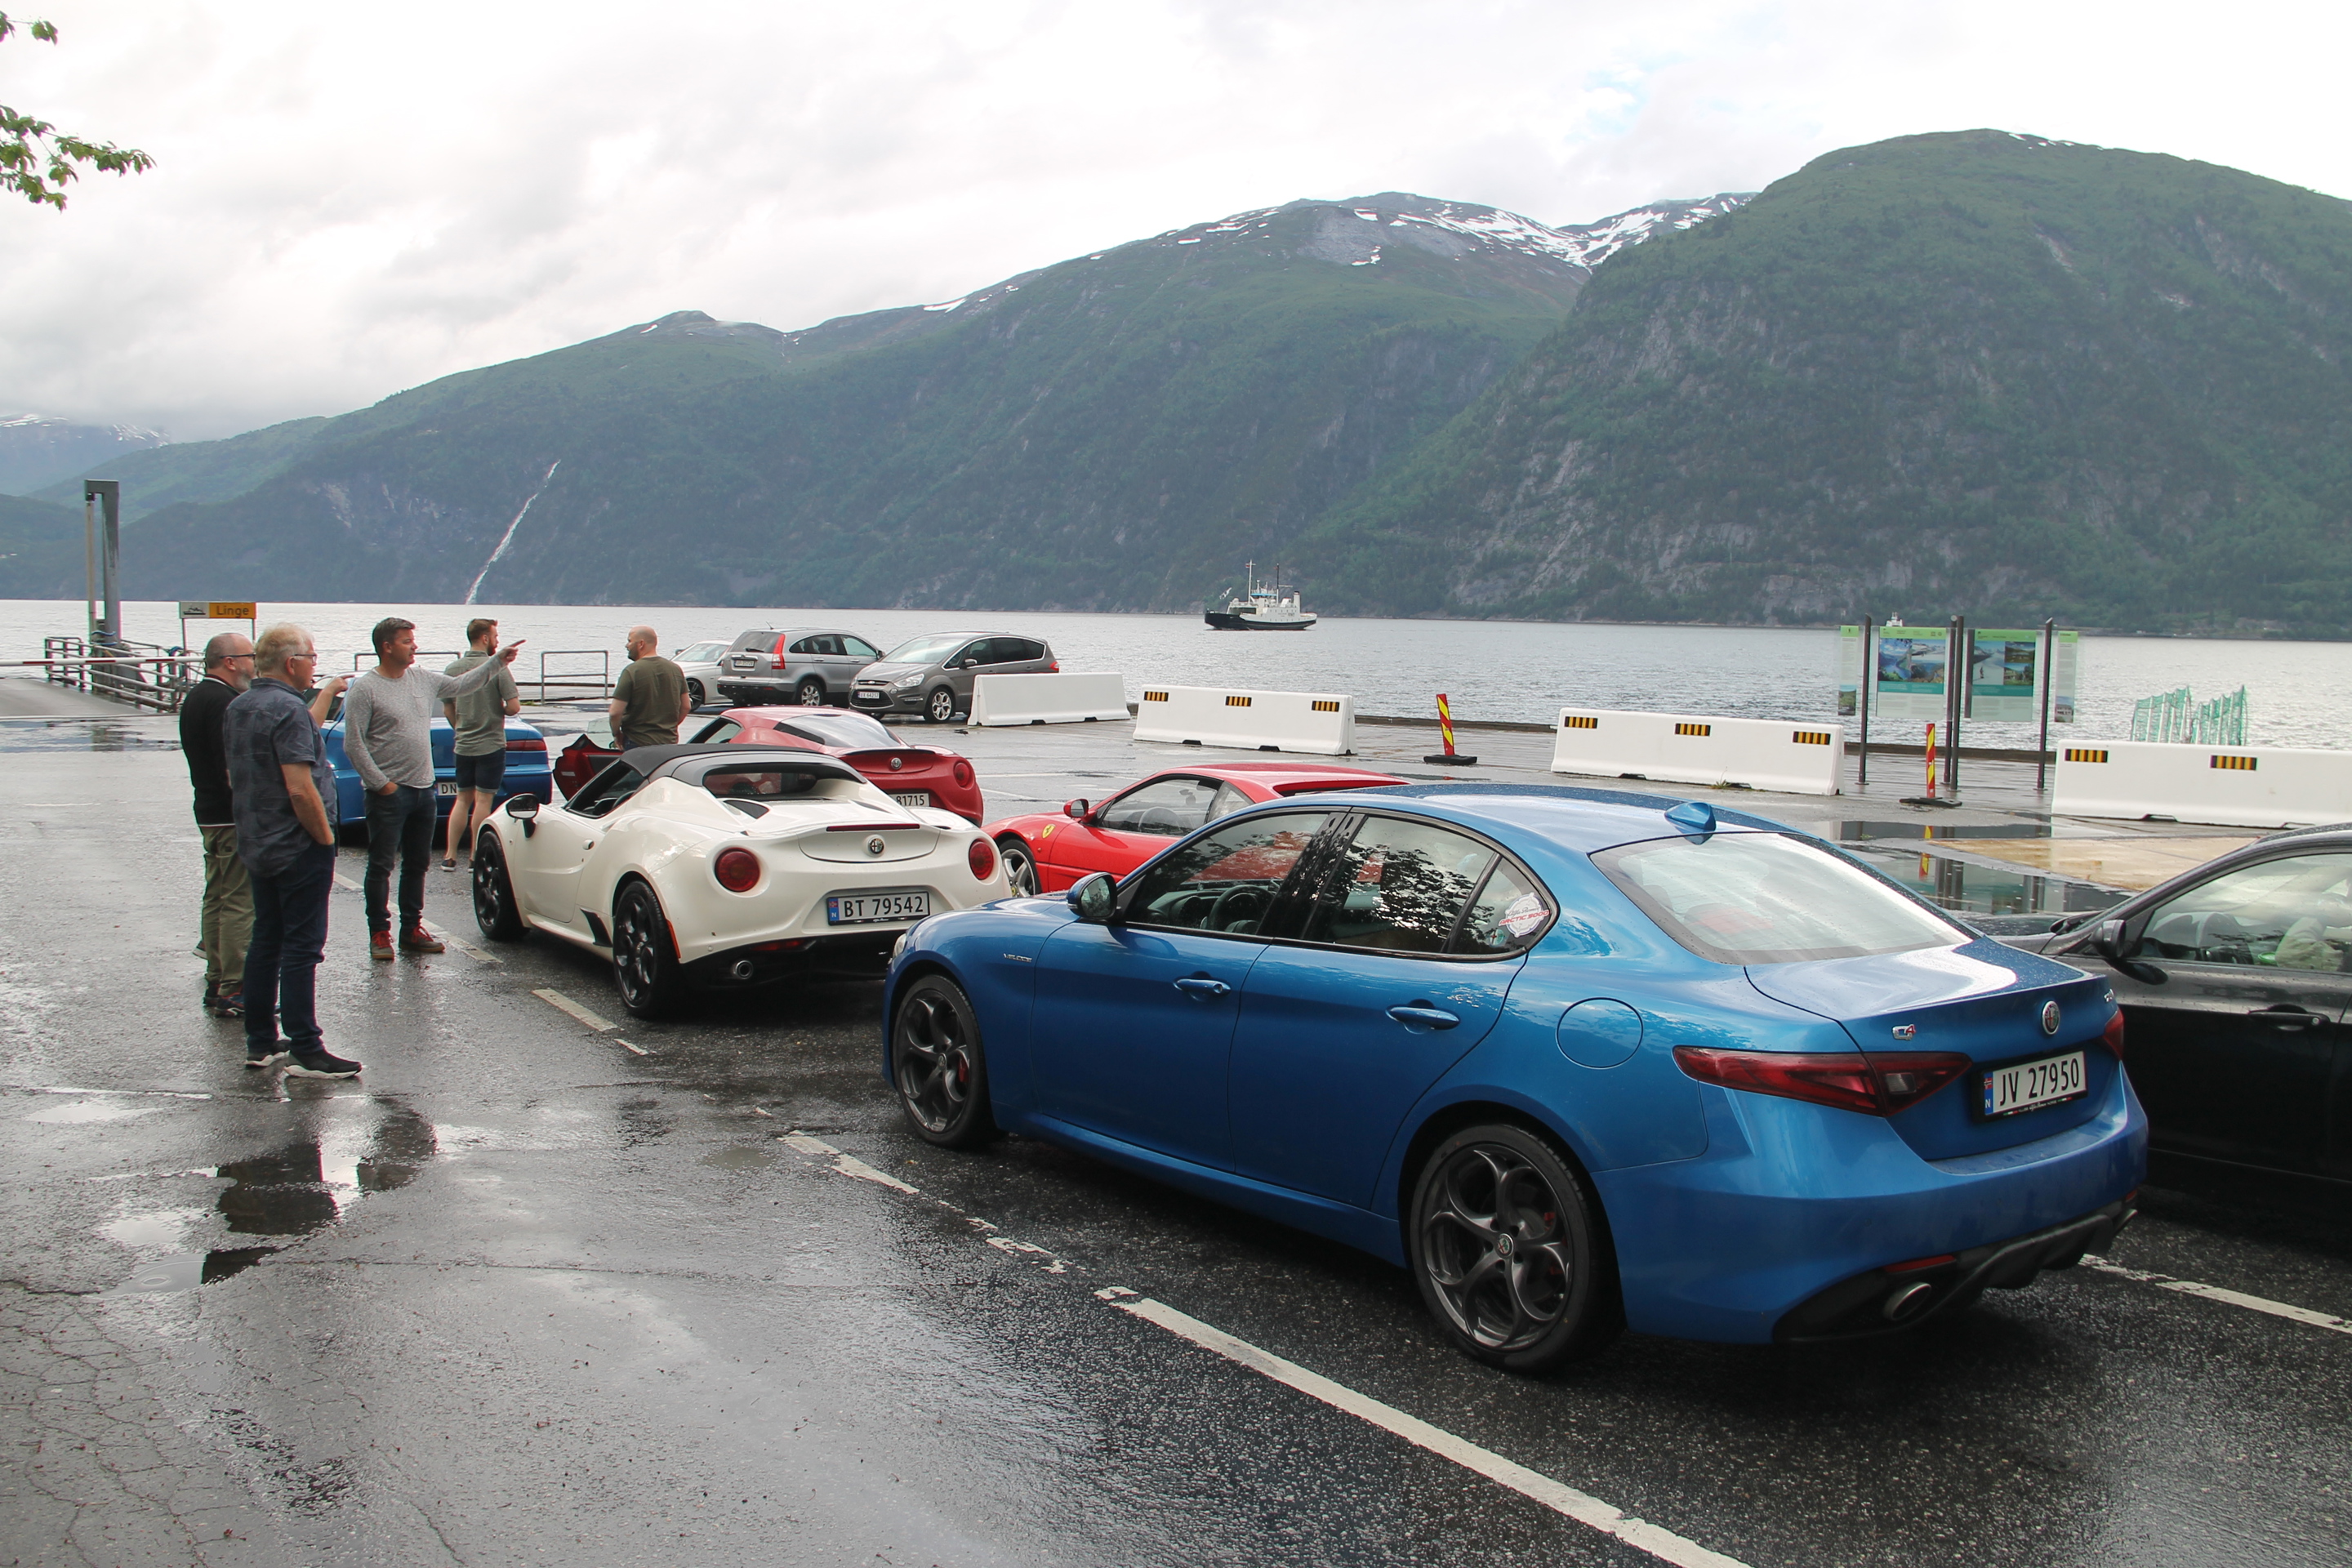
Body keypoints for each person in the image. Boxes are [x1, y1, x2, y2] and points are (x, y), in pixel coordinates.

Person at [341, 617, 526, 960]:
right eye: (407, 641)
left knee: (417, 864)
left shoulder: (422, 679)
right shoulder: (366, 689)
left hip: (423, 790)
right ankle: (379, 933)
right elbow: (354, 743)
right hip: (388, 794)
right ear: (387, 647)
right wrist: (381, 784)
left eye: (413, 639)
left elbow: (463, 685)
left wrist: (498, 661)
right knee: (381, 865)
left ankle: (411, 929)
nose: (415, 645)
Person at [225, 624, 358, 1076]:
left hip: (257, 839)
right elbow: (300, 788)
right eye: (312, 658)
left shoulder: (239, 706)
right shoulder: (289, 710)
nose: (314, 665)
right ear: (291, 662)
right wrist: (325, 839)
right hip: (297, 843)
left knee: (266, 939)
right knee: (303, 948)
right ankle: (306, 1046)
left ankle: (260, 1040)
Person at [180, 632, 255, 1018]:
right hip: (230, 813)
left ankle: (216, 977)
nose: (254, 663)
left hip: (208, 810)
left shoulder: (196, 696)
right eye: (249, 656)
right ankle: (235, 987)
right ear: (230, 661)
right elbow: (231, 767)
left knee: (217, 895)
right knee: (240, 900)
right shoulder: (225, 702)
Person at [440, 617, 521, 872]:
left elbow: (447, 707)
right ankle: (475, 855)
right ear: (485, 638)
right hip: (491, 744)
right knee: (483, 801)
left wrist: (460, 728)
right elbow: (514, 707)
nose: (497, 641)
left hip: (463, 745)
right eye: (495, 637)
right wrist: (497, 710)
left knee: (462, 799)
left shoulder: (453, 668)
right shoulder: (498, 668)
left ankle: (450, 855)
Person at [608, 624, 689, 749]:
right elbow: (686, 706)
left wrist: (617, 734)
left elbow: (615, 712)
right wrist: (669, 727)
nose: (627, 646)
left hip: (637, 742)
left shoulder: (632, 671)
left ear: (641, 644)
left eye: (630, 641)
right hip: (669, 743)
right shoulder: (675, 669)